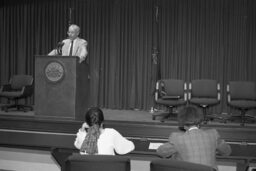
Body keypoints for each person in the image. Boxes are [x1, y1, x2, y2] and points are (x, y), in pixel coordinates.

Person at [156, 105, 232, 170]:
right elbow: (227, 151)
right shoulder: (213, 134)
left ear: (182, 123)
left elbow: (161, 152)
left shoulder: (177, 138)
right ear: (200, 120)